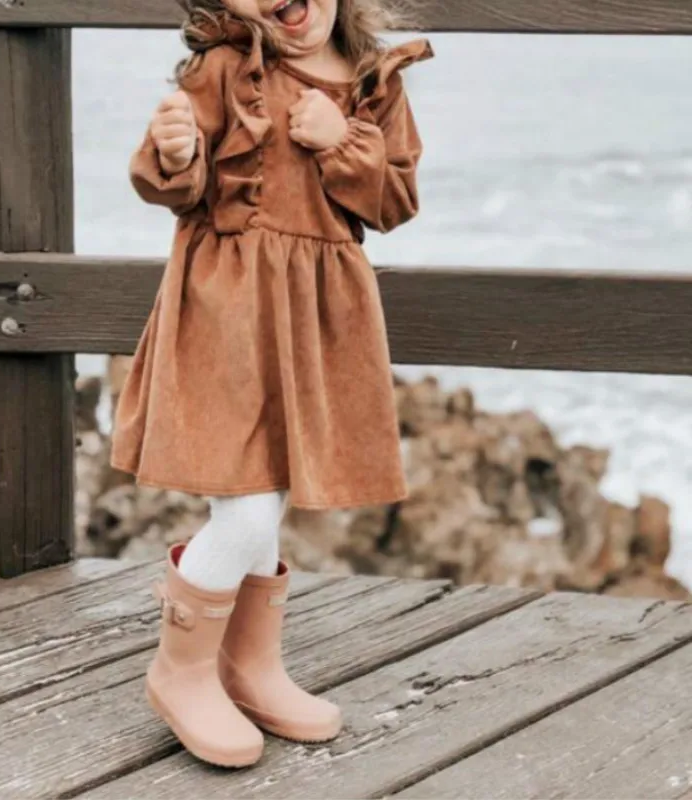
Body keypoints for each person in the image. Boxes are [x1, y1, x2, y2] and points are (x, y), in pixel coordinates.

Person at [111, 0, 432, 768]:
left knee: (272, 492)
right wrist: (175, 150)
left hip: (317, 318)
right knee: (248, 506)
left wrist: (339, 139)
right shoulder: (227, 68)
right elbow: (179, 185)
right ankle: (180, 670)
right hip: (227, 313)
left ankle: (249, 669)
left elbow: (395, 201)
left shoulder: (374, 80)